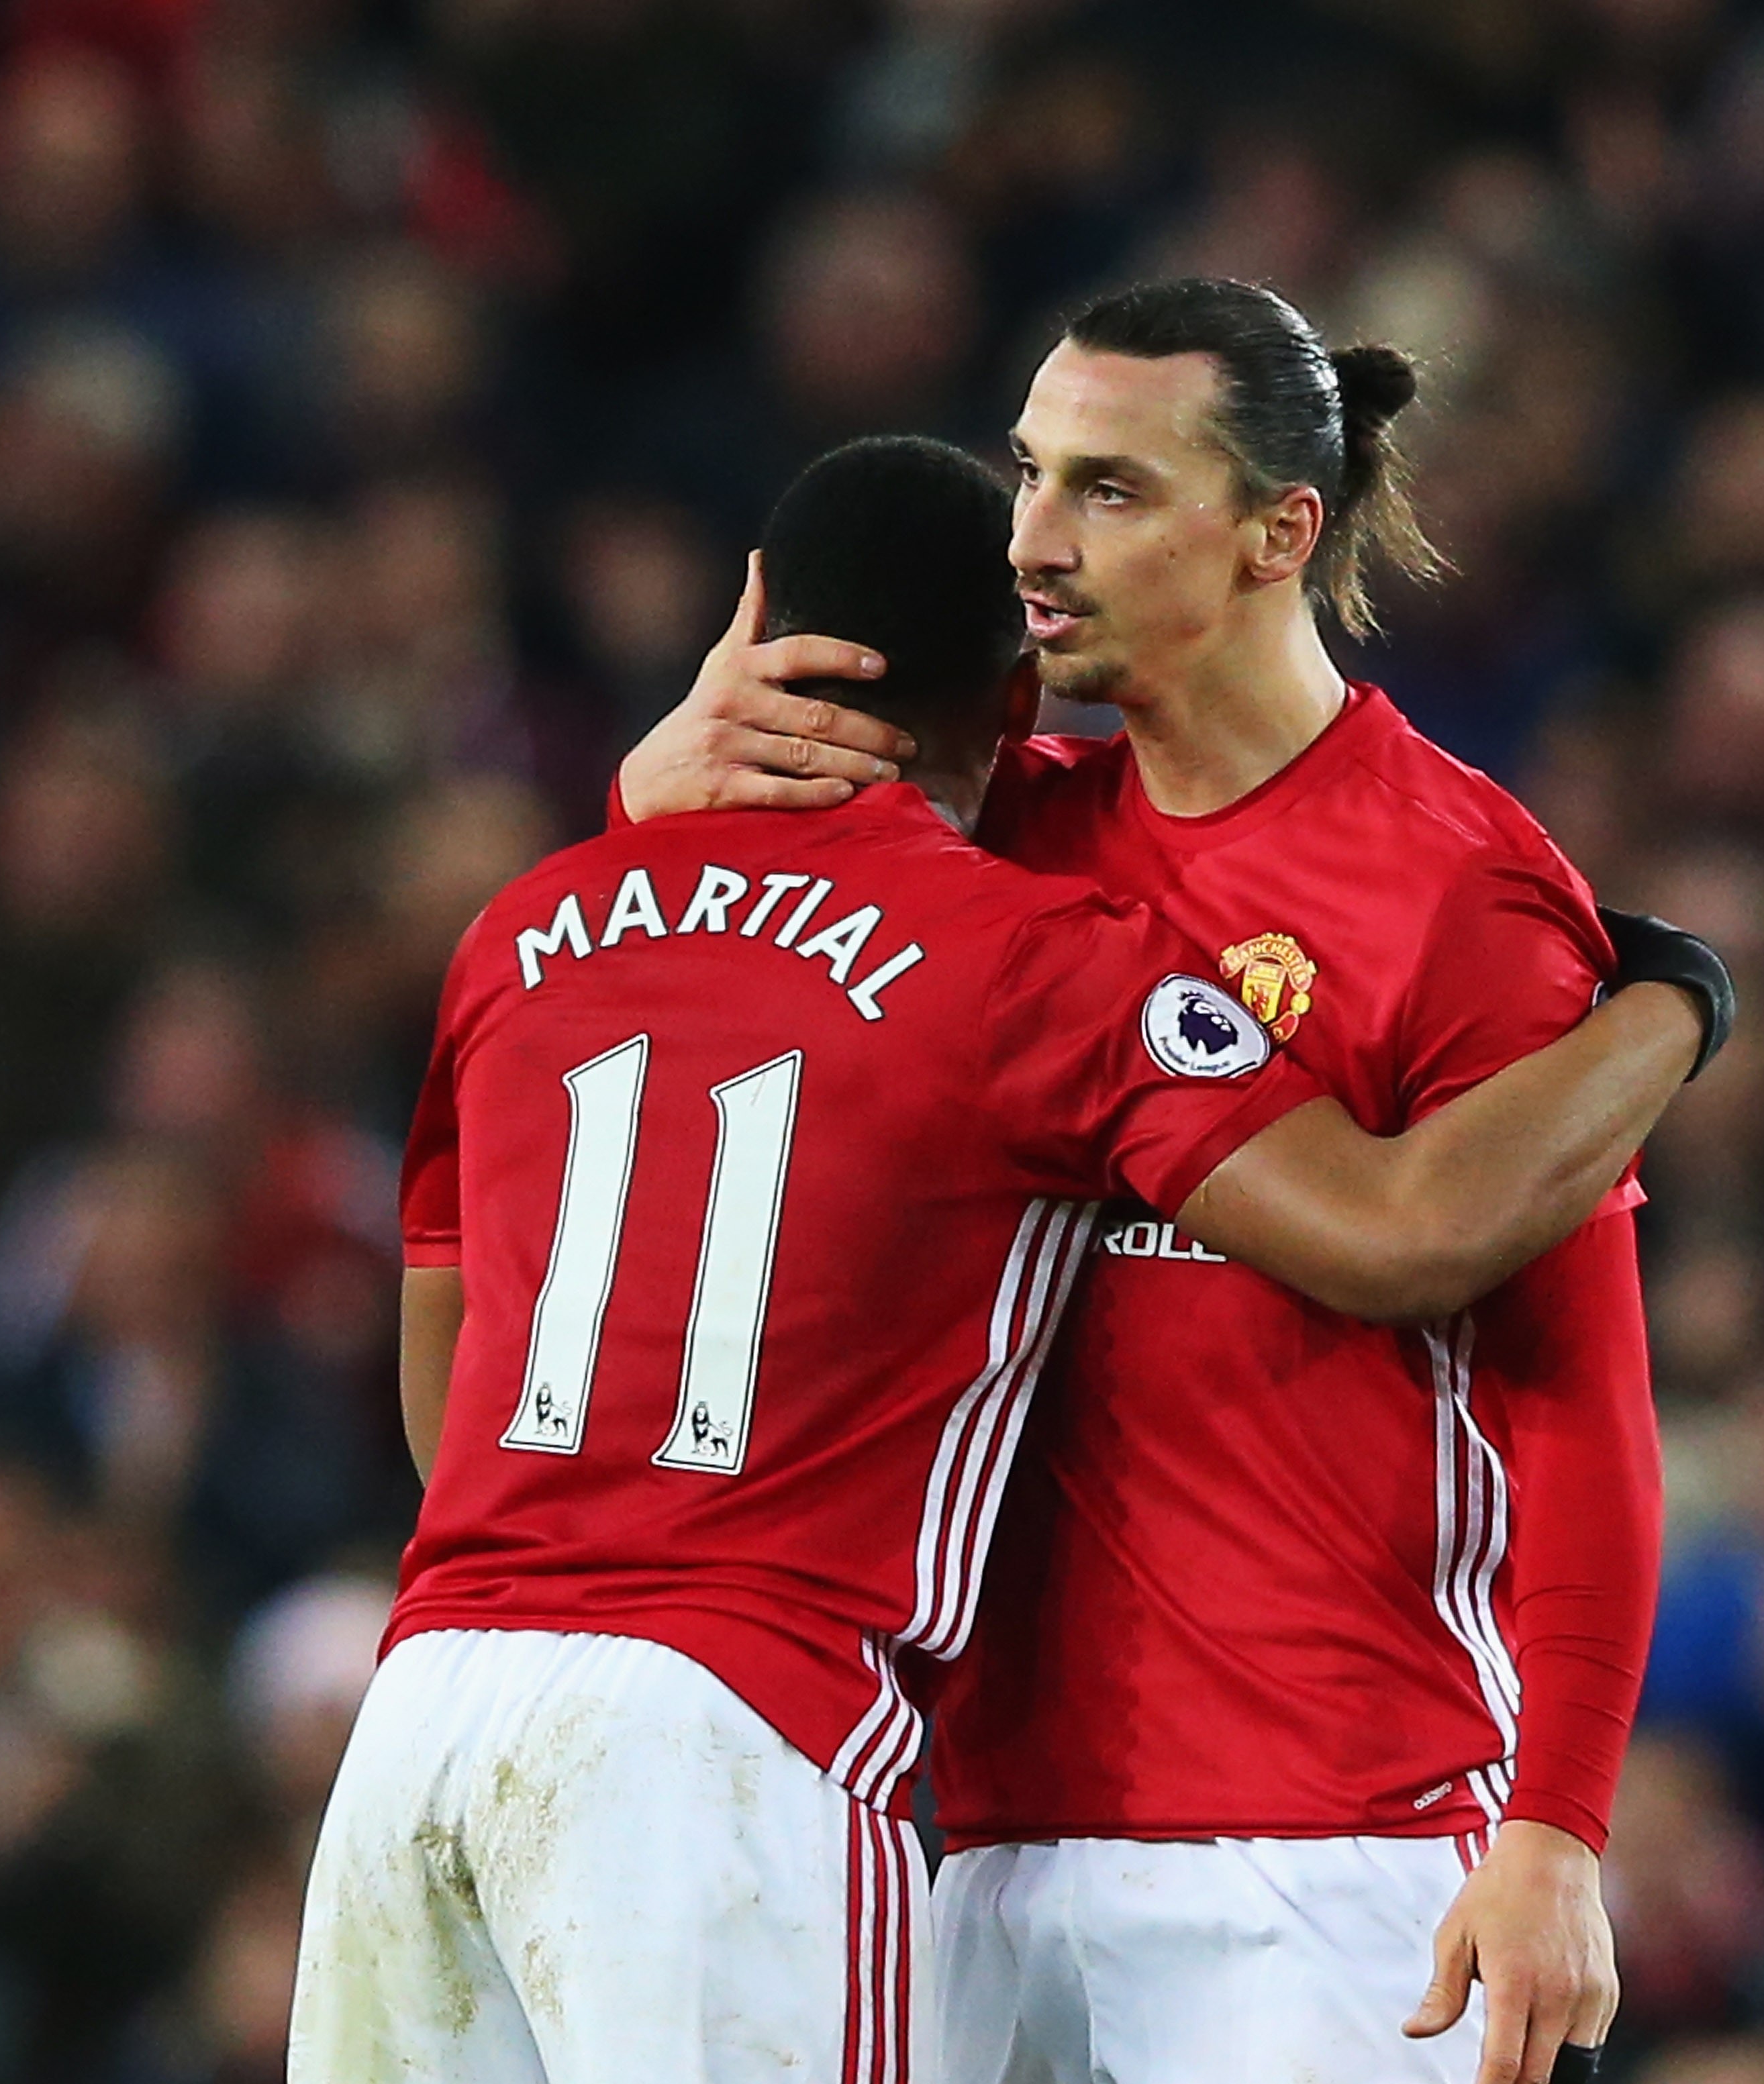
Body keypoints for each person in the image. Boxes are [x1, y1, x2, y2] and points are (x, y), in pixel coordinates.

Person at [291, 435, 1720, 2083]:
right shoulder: (1030, 956)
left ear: (752, 622)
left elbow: (438, 1405)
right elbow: (1410, 1234)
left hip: (424, 1716)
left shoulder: (518, 932)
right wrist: (1671, 1004)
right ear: (1019, 695)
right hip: (736, 1731)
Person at [619, 280, 1680, 2084]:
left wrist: (1557, 1829)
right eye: (1030, 477)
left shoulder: (1455, 890)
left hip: (1333, 1855)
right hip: (980, 1847)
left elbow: (1580, 1408)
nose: (1031, 541)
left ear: (1280, 532)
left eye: (1107, 491)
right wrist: (653, 797)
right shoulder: (993, 837)